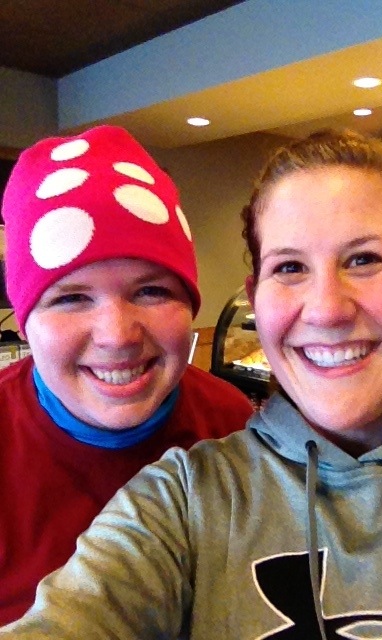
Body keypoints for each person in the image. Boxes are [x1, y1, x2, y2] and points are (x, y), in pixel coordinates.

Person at [1, 128, 382, 640]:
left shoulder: (223, 417)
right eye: (290, 267)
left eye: (364, 259)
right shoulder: (191, 489)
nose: (326, 309)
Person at [0, 125, 253, 625]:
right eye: (72, 297)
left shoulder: (232, 426)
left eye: (151, 291)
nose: (117, 335)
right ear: (26, 325)